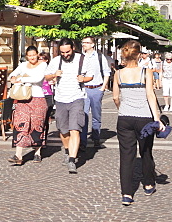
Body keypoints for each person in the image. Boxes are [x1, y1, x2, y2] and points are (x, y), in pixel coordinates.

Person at [112, 40, 164, 206]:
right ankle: (148, 183)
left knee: (126, 155)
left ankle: (127, 193)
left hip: (125, 118)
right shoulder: (146, 72)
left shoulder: (118, 74)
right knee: (146, 151)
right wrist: (157, 118)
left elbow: (115, 97)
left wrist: (122, 108)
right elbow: (150, 95)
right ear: (139, 54)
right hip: (144, 118)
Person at [45, 39, 88, 173]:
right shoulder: (55, 61)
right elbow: (46, 77)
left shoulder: (82, 59)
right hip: (60, 99)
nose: (65, 55)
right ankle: (67, 150)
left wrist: (84, 79)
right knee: (63, 130)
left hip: (77, 97)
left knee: (75, 129)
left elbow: (90, 76)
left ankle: (72, 160)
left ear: (73, 48)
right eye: (62, 52)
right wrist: (54, 75)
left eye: (68, 52)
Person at [7, 45, 49, 164]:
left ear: (37, 55)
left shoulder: (43, 65)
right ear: (27, 56)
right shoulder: (23, 65)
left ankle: (37, 152)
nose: (32, 58)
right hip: (23, 98)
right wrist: (15, 77)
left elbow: (38, 78)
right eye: (29, 56)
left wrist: (22, 79)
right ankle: (18, 155)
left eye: (34, 55)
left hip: (38, 98)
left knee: (37, 125)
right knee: (20, 124)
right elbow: (11, 76)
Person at [79, 37, 113, 147]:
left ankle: (96, 137)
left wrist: (103, 87)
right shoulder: (80, 57)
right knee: (83, 115)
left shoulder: (99, 57)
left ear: (93, 45)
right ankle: (82, 142)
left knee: (96, 115)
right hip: (84, 89)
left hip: (97, 88)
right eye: (83, 42)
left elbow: (107, 72)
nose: (84, 44)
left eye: (87, 43)